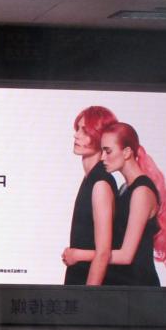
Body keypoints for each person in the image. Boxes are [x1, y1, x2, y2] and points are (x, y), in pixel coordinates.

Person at [62, 122, 166, 286]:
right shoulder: (126, 188)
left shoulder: (141, 192)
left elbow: (126, 255)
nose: (103, 157)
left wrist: (79, 255)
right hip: (125, 285)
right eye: (102, 150)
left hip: (140, 287)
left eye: (108, 151)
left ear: (126, 152)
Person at [62, 106, 118, 286]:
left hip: (90, 285)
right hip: (79, 277)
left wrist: (88, 299)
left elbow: (103, 253)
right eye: (77, 128)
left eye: (85, 131)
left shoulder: (100, 183)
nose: (76, 135)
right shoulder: (90, 178)